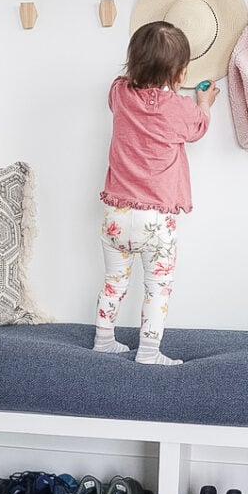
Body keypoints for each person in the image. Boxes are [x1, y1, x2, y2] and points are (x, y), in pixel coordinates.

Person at [94, 21, 219, 366]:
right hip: (156, 221)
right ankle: (148, 352)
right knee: (157, 286)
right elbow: (199, 128)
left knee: (113, 282)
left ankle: (104, 340)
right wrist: (204, 101)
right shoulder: (181, 109)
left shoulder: (118, 93)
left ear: (131, 63)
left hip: (116, 215)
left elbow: (122, 89)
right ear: (180, 75)